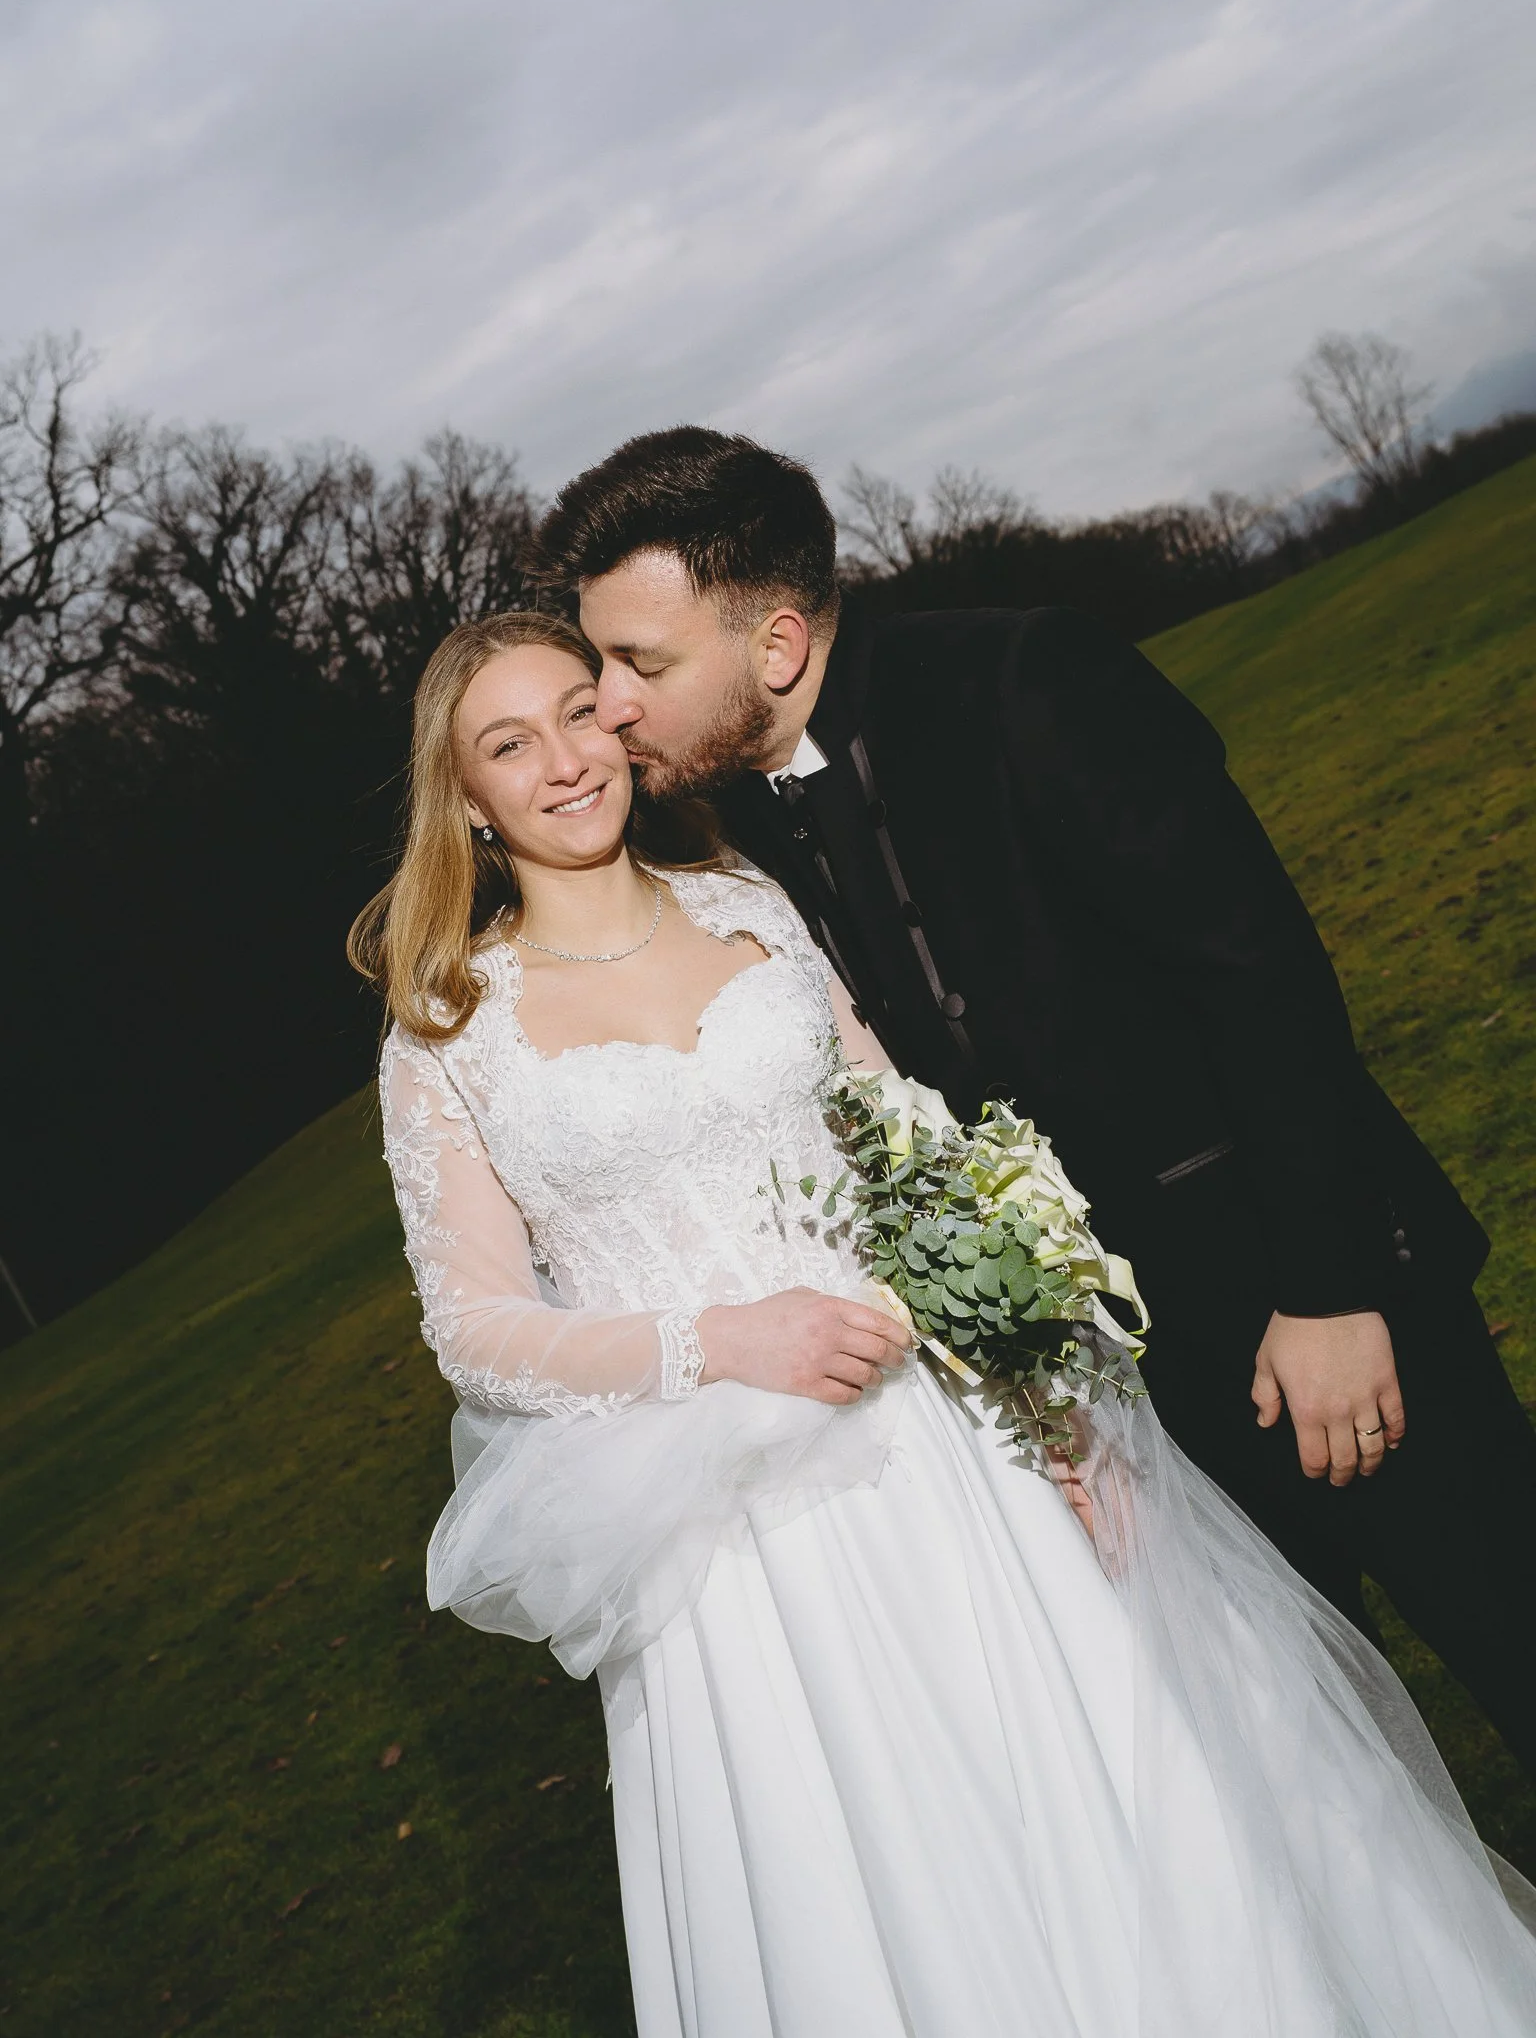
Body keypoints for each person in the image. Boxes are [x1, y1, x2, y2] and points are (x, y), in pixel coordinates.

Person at [355, 609, 1536, 2037]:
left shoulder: (749, 907)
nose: (561, 761)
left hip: (950, 1453)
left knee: (1136, 1811)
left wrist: (1059, 1409)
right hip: (739, 1558)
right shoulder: (451, 1024)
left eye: (576, 713)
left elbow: (918, 1157)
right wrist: (716, 1341)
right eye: (506, 744)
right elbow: (474, 1328)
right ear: (466, 801)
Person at [533, 425, 1536, 1778]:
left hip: (1316, 1298)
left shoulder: (1024, 680)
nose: (612, 704)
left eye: (640, 664)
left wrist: (1331, 1290)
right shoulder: (731, 829)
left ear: (774, 646)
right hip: (1123, 1390)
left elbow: (1260, 978)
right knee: (1316, 1771)